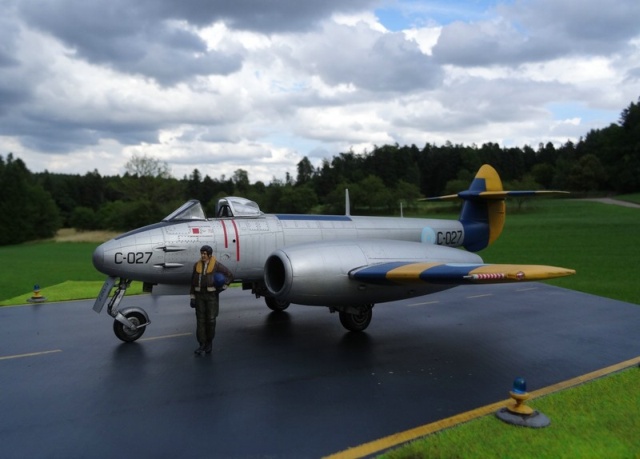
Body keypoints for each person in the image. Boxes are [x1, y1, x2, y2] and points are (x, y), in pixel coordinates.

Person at [190, 245, 233, 355]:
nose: (203, 255)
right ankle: (201, 344)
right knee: (200, 321)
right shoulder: (196, 266)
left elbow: (230, 275)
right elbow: (192, 283)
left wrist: (222, 288)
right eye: (202, 253)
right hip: (199, 296)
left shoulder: (216, 265)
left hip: (211, 297)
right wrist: (192, 297)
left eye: (205, 253)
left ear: (209, 255)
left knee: (211, 320)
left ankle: (209, 343)